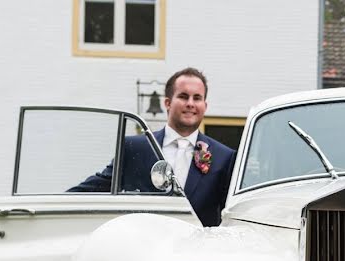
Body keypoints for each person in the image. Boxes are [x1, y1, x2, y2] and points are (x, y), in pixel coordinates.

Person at [69, 67, 236, 227]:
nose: (190, 103)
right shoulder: (134, 147)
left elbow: (230, 214)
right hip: (143, 248)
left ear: (205, 106)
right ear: (168, 103)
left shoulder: (224, 157)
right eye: (184, 96)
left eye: (197, 98)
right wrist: (52, 202)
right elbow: (98, 186)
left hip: (194, 252)